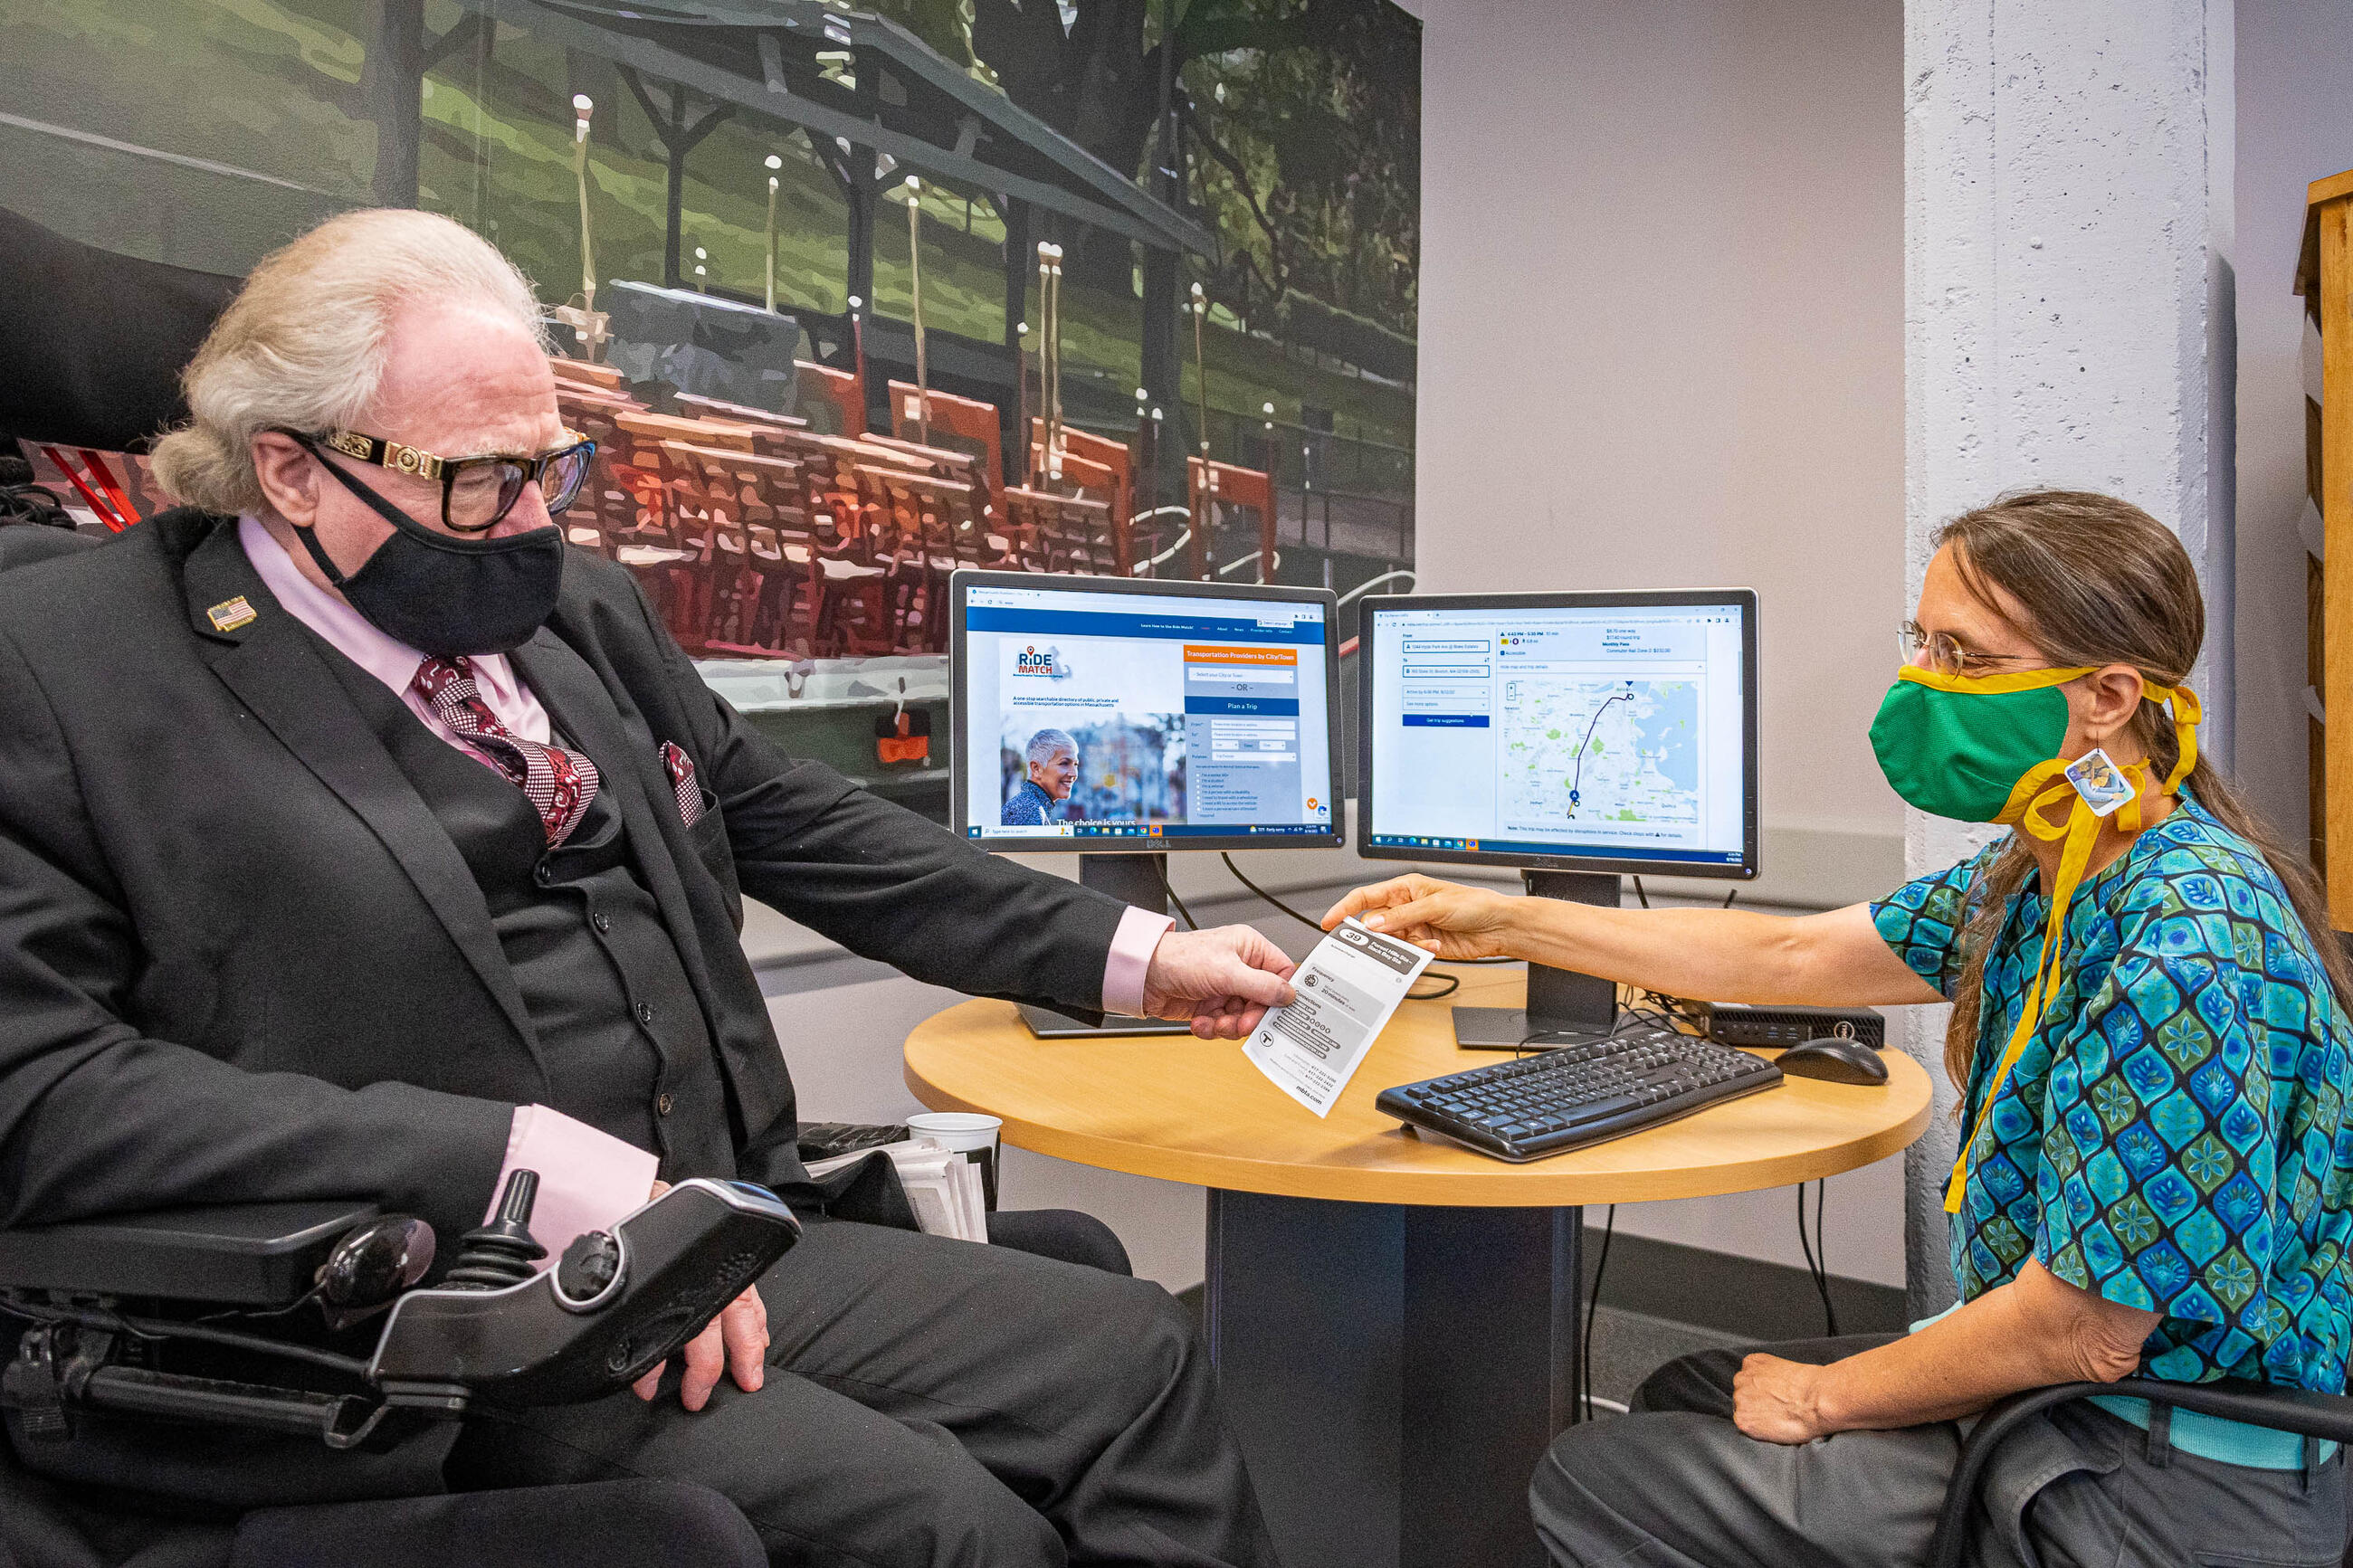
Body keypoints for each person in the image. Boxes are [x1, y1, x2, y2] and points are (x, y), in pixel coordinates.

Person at [0, 209, 1300, 1568]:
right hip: (435, 1308)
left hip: (712, 1228)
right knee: (945, 1525)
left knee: (1142, 1358)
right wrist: (514, 1164)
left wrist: (1133, 953)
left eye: (551, 469)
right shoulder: (68, 664)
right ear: (291, 470)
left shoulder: (578, 615)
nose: (526, 522)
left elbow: (795, 816)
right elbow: (42, 1091)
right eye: (477, 482)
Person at [1325, 490, 2353, 1567]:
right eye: (1920, 641)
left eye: (1965, 657)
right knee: (1687, 1386)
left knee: (1595, 1475)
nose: (1922, 684)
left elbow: (2084, 1327)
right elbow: (1791, 957)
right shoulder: (2054, 864)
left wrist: (1824, 1397)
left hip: (2164, 1473)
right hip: (2098, 1394)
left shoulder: (2183, 944)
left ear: (2106, 696)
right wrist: (1500, 915)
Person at [1003, 727, 1079, 826]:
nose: (1074, 774)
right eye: (1064, 763)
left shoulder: (1029, 806)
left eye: (1076, 765)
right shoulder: (1029, 811)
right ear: (1036, 768)